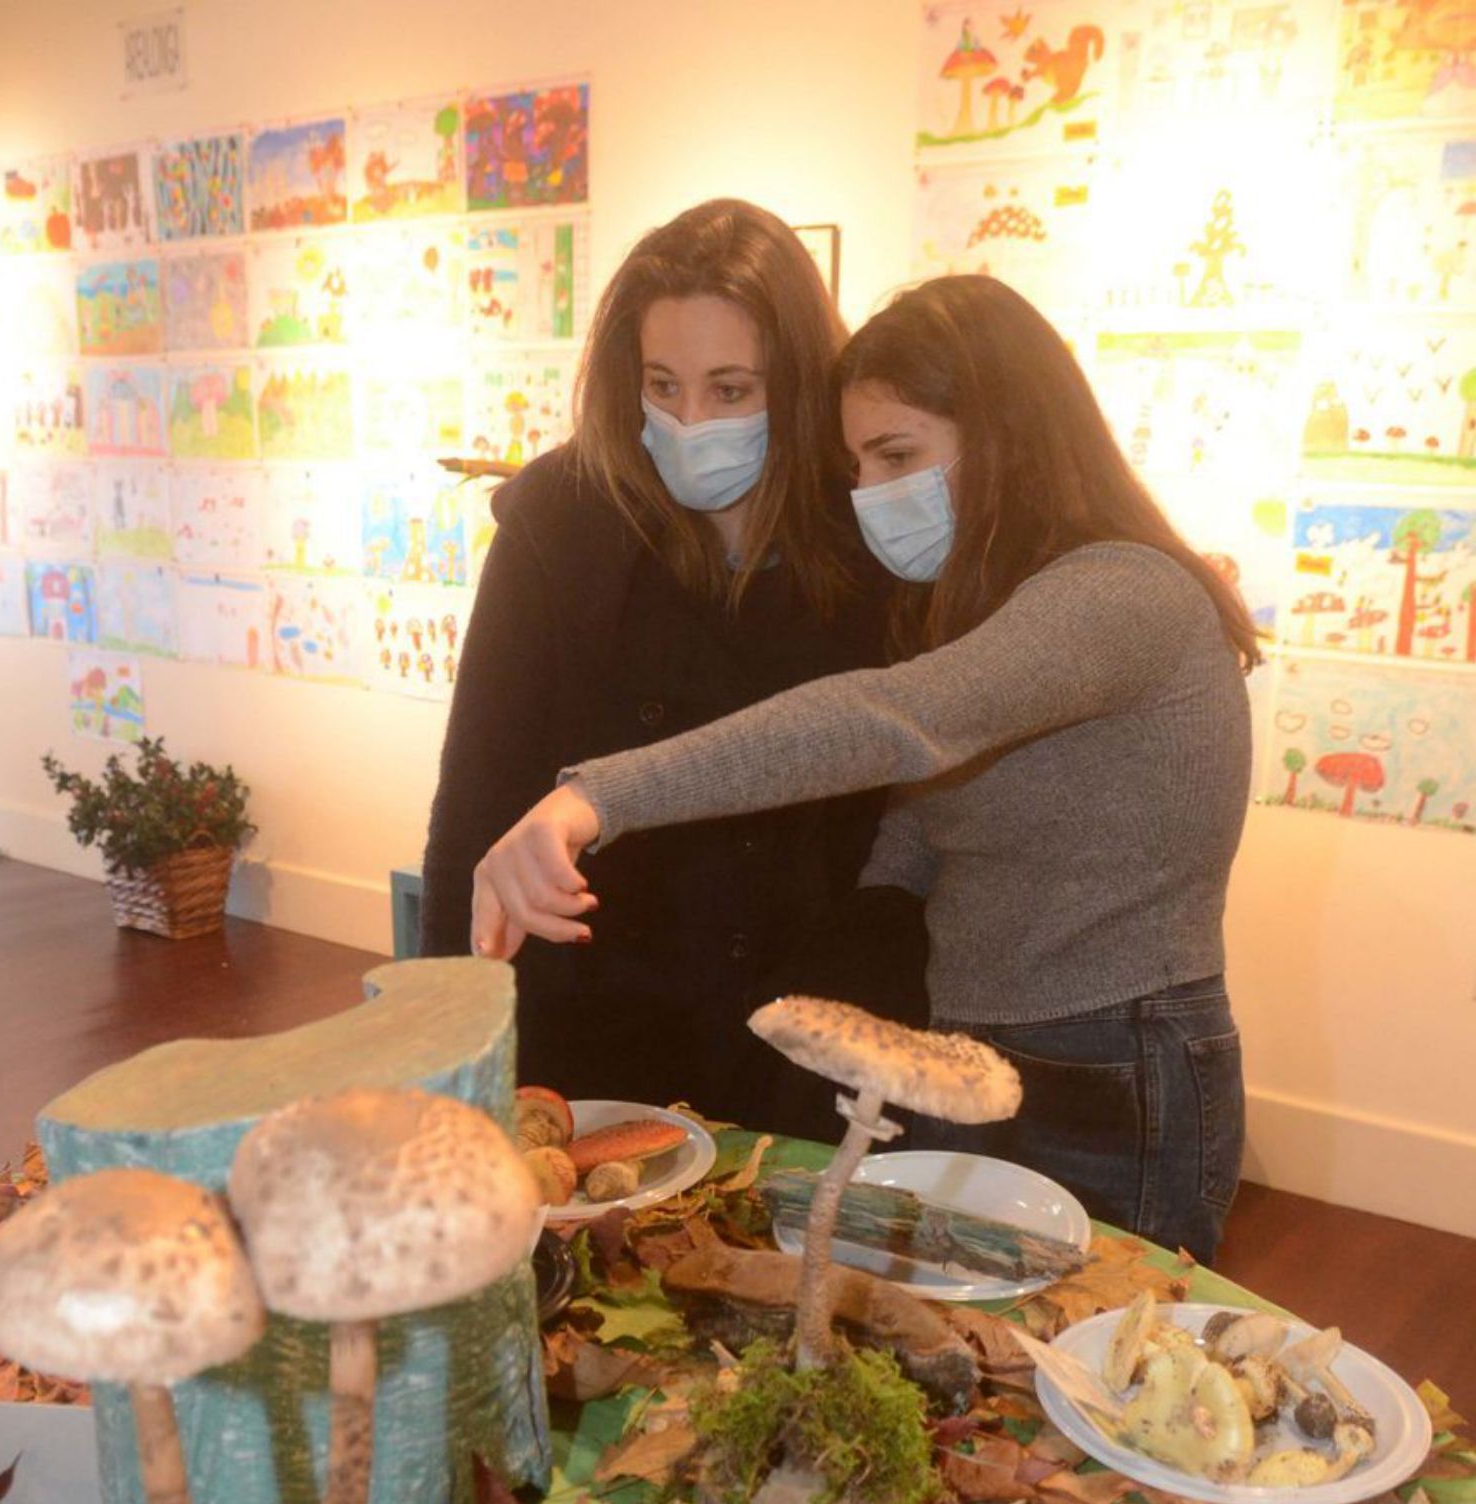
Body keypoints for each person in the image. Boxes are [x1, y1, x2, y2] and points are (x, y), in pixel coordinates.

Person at [470, 275, 1261, 1265]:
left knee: (1103, 1357)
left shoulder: (1120, 595)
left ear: (1011, 437)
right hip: (971, 1049)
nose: (873, 493)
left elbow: (895, 720)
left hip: (1109, 1060)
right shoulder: (984, 603)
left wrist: (598, 795)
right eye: (858, 464)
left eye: (898, 454)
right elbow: (923, 820)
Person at [419, 199, 927, 1136]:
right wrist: (445, 1052)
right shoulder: (561, 524)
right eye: (663, 385)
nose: (693, 420)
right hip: (599, 1004)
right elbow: (475, 803)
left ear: (801, 384)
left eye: (732, 390)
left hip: (802, 1022)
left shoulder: (864, 536)